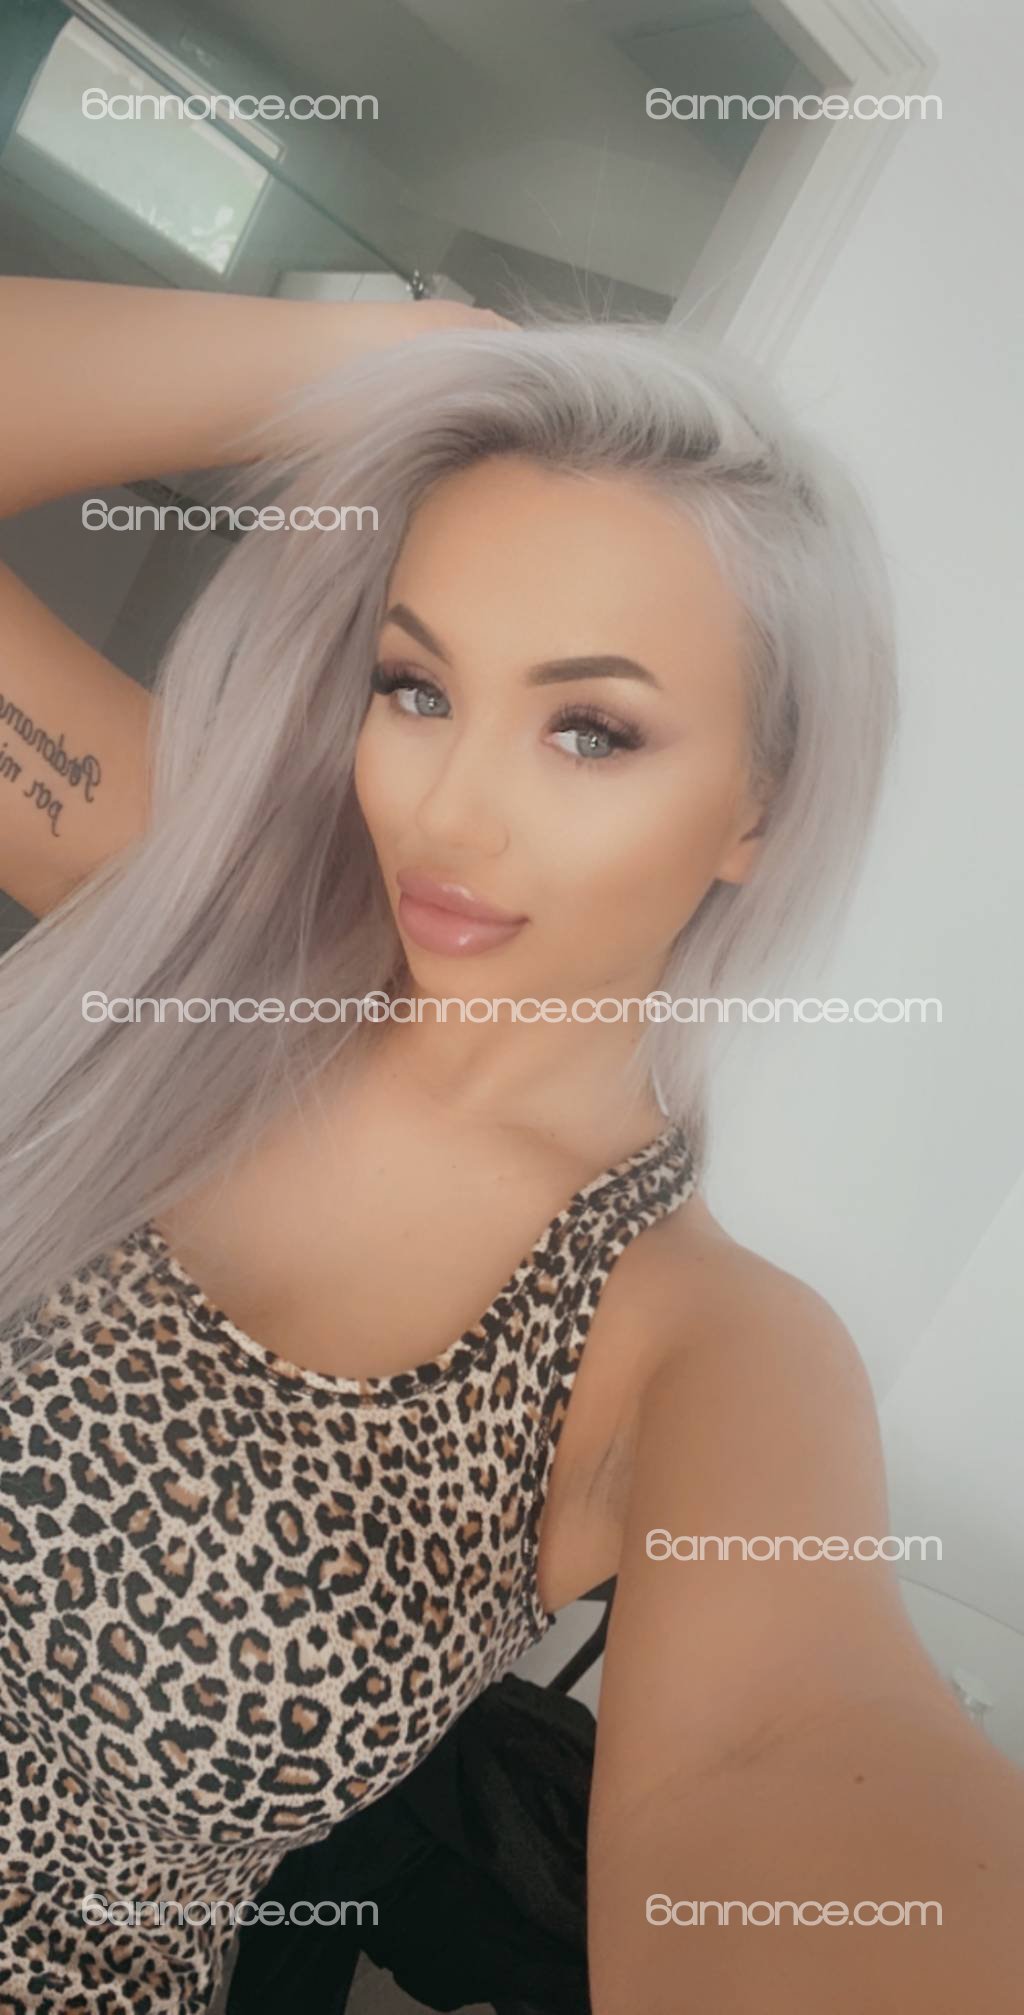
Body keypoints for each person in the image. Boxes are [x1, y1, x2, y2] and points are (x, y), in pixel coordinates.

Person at [0, 278, 1021, 2015]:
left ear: (759, 804)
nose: (447, 809)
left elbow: (784, 1751)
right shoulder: (200, 940)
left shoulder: (696, 1345)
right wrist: (392, 361)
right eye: (415, 687)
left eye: (588, 728)